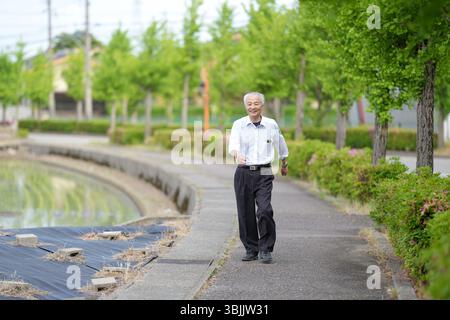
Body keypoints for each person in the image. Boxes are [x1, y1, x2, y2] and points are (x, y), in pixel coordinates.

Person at [228, 92, 289, 264]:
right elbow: (233, 144)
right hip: (243, 172)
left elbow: (280, 142)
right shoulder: (238, 124)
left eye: (256, 103)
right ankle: (251, 249)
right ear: (245, 106)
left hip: (264, 172)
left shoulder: (271, 124)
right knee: (245, 213)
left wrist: (284, 163)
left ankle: (266, 249)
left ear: (261, 105)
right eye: (249, 103)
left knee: (264, 210)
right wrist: (237, 154)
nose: (252, 106)